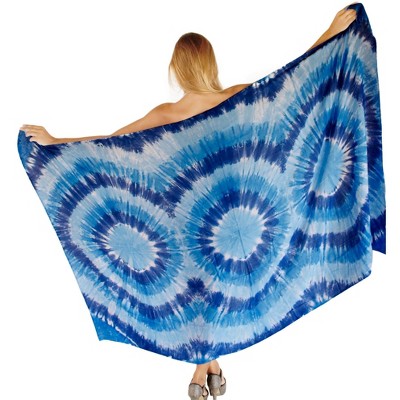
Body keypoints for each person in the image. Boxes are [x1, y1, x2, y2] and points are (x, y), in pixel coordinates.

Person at [21, 6, 357, 400]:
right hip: (244, 222)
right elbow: (295, 81)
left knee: (203, 298)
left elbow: (107, 146)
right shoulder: (238, 97)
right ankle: (210, 370)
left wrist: (54, 141)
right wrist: (329, 33)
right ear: (210, 64)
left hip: (193, 229)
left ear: (177, 70)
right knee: (215, 298)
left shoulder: (168, 113)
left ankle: (203, 371)